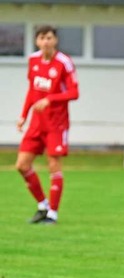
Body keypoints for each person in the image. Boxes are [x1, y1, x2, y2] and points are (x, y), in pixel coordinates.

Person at [15, 25, 79, 225]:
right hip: (37, 123)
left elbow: (74, 93)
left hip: (56, 124)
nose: (46, 41)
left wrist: (50, 99)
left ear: (55, 40)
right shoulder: (33, 60)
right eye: (42, 38)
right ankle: (43, 205)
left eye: (49, 37)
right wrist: (23, 115)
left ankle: (53, 214)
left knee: (53, 165)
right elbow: (32, 91)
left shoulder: (64, 62)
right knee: (22, 165)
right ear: (37, 41)